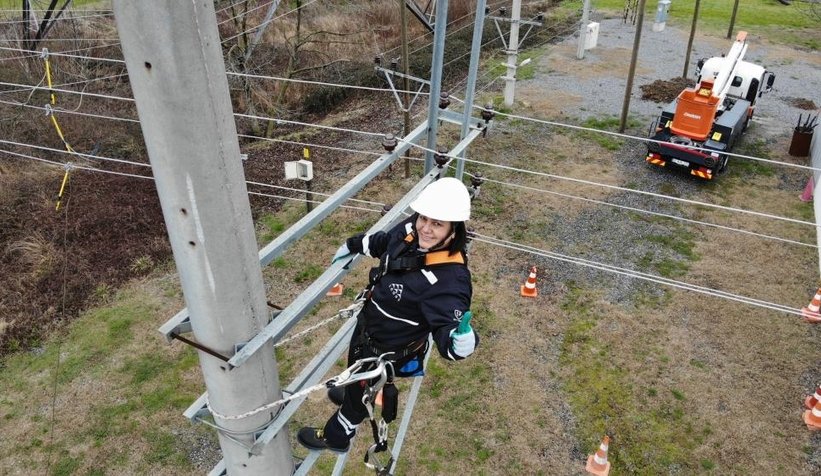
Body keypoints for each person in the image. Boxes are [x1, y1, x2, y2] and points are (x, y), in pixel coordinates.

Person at [297, 177, 480, 453]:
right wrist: (355, 243)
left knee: (358, 400)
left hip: (387, 352)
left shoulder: (449, 281)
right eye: (424, 219)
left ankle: (337, 436)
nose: (426, 229)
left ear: (453, 230)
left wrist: (459, 343)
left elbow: (448, 329)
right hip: (368, 328)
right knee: (355, 378)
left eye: (437, 224)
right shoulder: (411, 228)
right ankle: (351, 390)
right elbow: (385, 242)